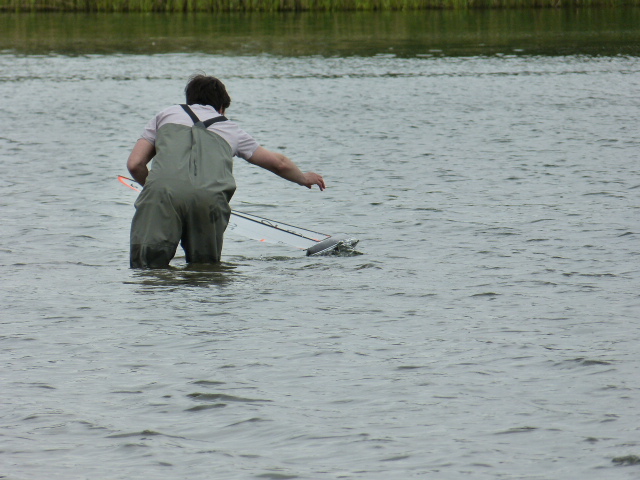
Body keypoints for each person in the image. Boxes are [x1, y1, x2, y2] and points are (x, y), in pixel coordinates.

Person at [127, 74, 325, 268]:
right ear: (221, 107)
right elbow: (278, 163)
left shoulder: (165, 115)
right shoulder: (231, 129)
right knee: (205, 270)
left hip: (162, 194)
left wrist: (156, 189)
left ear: (189, 100)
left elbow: (135, 164)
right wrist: (303, 178)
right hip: (210, 200)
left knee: (147, 268)